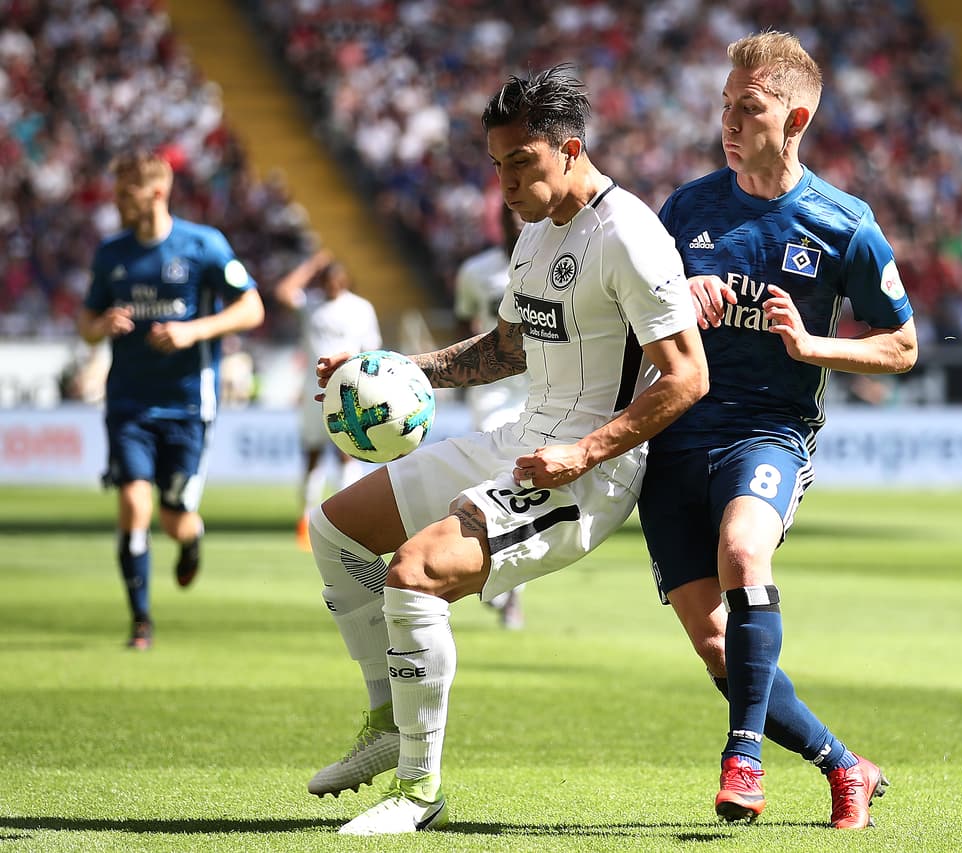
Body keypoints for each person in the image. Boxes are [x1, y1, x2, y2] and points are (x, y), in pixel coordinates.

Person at [305, 64, 708, 835]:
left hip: (587, 473)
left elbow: (688, 376)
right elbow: (504, 350)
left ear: (571, 149)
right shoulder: (533, 237)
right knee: (336, 530)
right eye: (497, 166)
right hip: (520, 439)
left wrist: (584, 454)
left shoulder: (628, 236)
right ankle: (387, 721)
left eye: (521, 163)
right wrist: (390, 368)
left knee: (415, 574)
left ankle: (418, 791)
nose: (507, 185)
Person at [636, 31, 917, 830]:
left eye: (749, 108)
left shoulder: (843, 224)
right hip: (673, 438)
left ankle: (744, 758)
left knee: (743, 551)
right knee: (718, 649)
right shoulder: (686, 208)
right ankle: (844, 764)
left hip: (767, 432)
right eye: (725, 104)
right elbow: (634, 320)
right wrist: (677, 300)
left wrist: (812, 345)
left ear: (796, 119)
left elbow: (902, 346)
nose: (728, 121)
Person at [77, 149, 265, 650]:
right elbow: (85, 323)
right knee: (133, 501)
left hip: (188, 405)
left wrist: (191, 332)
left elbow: (252, 308)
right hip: (129, 403)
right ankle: (140, 620)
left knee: (174, 518)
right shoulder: (111, 254)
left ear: (158, 192)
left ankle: (191, 539)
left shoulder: (202, 245)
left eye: (126, 194)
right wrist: (101, 325)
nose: (117, 203)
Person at [273, 249, 383, 550]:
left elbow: (372, 350)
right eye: (327, 279)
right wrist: (312, 264)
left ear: (346, 280)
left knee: (348, 451)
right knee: (312, 453)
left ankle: (350, 520)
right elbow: (282, 292)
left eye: (337, 279)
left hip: (349, 390)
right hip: (313, 390)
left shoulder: (360, 308)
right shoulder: (311, 305)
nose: (333, 284)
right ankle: (306, 519)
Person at [453, 204, 528, 628]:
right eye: (508, 216)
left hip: (539, 388)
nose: (515, 223)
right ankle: (493, 572)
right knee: (492, 478)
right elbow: (466, 322)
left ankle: (511, 589)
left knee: (522, 481)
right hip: (492, 390)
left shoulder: (553, 260)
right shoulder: (475, 271)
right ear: (498, 222)